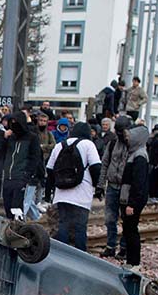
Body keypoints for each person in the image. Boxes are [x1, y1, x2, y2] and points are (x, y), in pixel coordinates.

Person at [45, 121, 101, 251]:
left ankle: (62, 255)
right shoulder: (88, 144)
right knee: (80, 227)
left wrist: (51, 191)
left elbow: (49, 169)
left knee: (63, 225)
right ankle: (80, 256)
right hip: (82, 193)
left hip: (61, 194)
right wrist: (97, 186)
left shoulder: (60, 145)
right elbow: (96, 167)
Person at [99, 115, 134, 258]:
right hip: (112, 186)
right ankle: (111, 246)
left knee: (127, 220)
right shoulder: (112, 143)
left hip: (127, 187)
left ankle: (124, 247)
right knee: (110, 219)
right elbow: (105, 163)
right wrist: (100, 185)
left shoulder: (134, 146)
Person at [119, 125, 150, 269]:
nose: (127, 139)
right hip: (129, 197)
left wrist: (131, 203)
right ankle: (131, 260)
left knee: (131, 230)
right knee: (128, 229)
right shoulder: (135, 153)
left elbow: (138, 182)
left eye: (129, 137)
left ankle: (134, 262)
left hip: (133, 200)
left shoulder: (139, 156)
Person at [1, 110, 43, 217]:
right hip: (8, 177)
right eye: (12, 123)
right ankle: (10, 225)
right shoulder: (10, 137)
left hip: (21, 177)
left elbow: (35, 158)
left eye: (16, 123)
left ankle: (19, 226)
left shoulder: (32, 138)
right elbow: (1, 152)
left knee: (18, 209)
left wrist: (26, 175)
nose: (14, 126)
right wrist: (4, 139)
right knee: (8, 207)